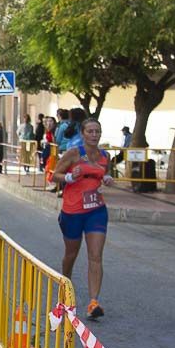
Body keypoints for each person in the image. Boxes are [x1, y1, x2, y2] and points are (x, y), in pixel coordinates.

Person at [52, 118, 114, 321]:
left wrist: (107, 180)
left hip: (96, 209)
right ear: (83, 133)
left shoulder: (105, 155)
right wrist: (70, 177)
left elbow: (106, 176)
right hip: (73, 210)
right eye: (90, 131)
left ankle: (93, 302)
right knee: (71, 255)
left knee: (95, 255)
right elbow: (54, 176)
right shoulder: (74, 153)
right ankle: (65, 290)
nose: (94, 135)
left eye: (97, 131)